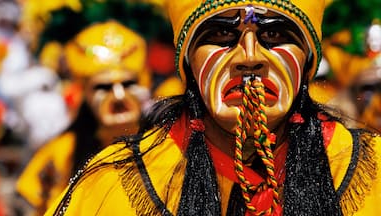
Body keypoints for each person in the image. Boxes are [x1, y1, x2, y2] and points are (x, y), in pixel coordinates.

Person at [46, 1, 381, 216]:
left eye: (275, 33)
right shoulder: (111, 183)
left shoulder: (374, 168)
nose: (249, 57)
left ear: (308, 60)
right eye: (221, 34)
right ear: (188, 63)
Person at [15, 20, 152, 215]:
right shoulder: (61, 153)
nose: (119, 96)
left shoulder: (168, 144)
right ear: (86, 93)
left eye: (128, 83)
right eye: (103, 87)